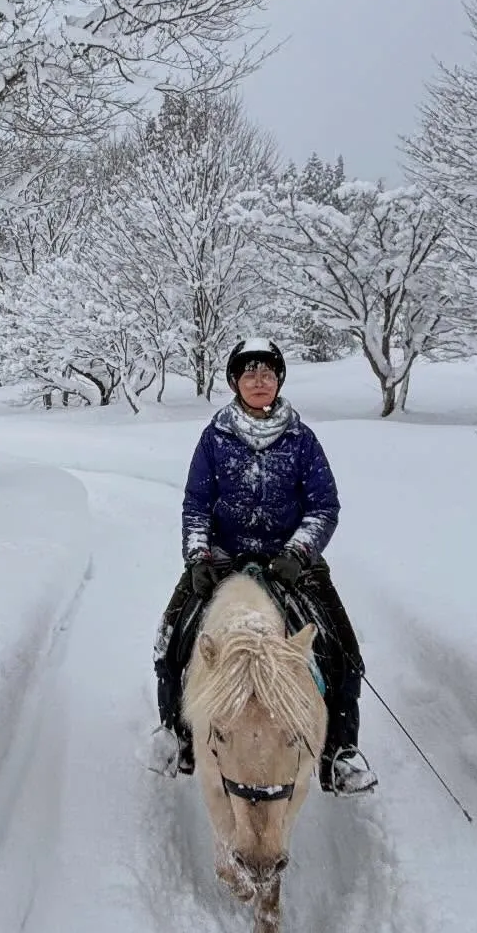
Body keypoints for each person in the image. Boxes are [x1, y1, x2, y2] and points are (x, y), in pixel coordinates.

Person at [150, 337, 378, 797]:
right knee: (171, 636)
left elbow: (323, 506)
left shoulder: (302, 440)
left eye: (268, 374)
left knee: (344, 650)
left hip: (290, 560)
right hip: (224, 556)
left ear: (278, 382)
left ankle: (339, 753)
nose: (260, 381)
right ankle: (176, 734)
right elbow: (196, 504)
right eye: (250, 373)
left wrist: (298, 552)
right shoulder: (215, 438)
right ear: (235, 382)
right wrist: (198, 555)